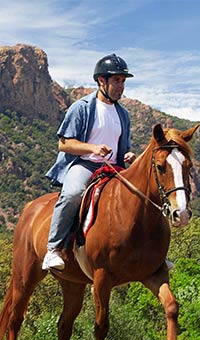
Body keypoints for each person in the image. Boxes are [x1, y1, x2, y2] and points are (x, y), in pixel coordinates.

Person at [43, 53, 137, 271]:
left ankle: (152, 255)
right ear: (101, 81)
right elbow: (64, 144)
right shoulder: (82, 107)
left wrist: (128, 156)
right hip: (87, 164)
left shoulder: (123, 114)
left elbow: (123, 145)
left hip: (114, 168)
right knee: (73, 194)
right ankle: (53, 249)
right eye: (116, 80)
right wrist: (92, 148)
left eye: (123, 81)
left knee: (144, 193)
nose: (121, 86)